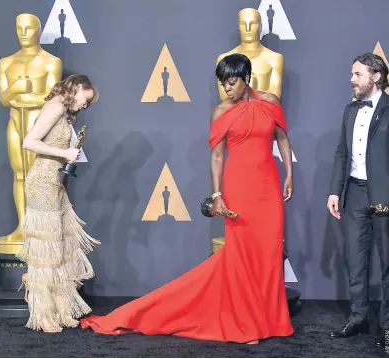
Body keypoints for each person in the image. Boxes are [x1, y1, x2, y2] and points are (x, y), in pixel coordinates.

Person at [81, 54, 295, 344]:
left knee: (268, 254)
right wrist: (218, 194)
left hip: (268, 187)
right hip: (240, 188)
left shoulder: (270, 101)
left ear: (246, 77)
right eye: (222, 84)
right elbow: (217, 157)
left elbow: (282, 139)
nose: (227, 89)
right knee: (241, 256)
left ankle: (271, 320)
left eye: (231, 82)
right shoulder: (221, 112)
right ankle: (246, 325)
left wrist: (289, 175)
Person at [16, 74, 100, 333]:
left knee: (61, 250)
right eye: (87, 99)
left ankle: (62, 311)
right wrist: (65, 153)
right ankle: (43, 315)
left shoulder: (65, 112)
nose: (85, 106)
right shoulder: (55, 106)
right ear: (78, 88)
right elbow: (29, 141)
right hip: (42, 183)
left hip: (56, 185)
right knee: (46, 253)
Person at [327, 53, 389, 348]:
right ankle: (358, 318)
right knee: (356, 259)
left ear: (375, 76)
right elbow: (342, 152)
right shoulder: (349, 110)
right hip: (354, 193)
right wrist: (334, 191)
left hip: (386, 194)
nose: (351, 80)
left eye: (357, 74)